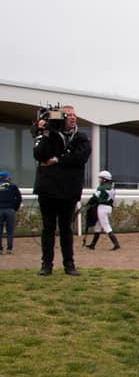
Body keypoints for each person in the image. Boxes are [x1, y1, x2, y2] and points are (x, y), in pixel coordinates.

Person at [33, 105, 91, 276]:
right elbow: (39, 155)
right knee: (48, 228)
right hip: (48, 190)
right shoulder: (48, 135)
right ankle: (46, 265)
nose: (73, 118)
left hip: (69, 191)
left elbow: (81, 157)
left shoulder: (80, 137)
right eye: (68, 115)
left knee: (66, 228)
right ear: (60, 117)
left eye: (75, 115)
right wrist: (43, 132)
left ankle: (69, 265)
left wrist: (57, 159)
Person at [84, 170, 121, 250]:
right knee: (98, 226)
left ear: (104, 179)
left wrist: (88, 204)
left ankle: (116, 244)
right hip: (109, 208)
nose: (99, 180)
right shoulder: (112, 187)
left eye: (100, 178)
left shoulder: (101, 187)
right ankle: (93, 244)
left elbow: (95, 197)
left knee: (106, 226)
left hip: (102, 208)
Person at [0, 170, 23, 254]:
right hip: (10, 210)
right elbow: (19, 198)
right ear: (7, 178)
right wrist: (15, 208)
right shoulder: (12, 186)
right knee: (10, 231)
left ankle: (0, 249)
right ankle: (9, 249)